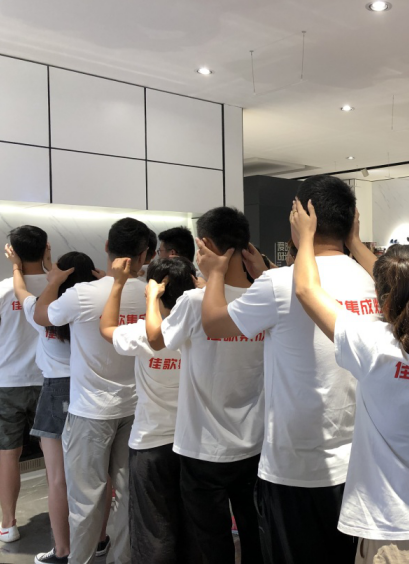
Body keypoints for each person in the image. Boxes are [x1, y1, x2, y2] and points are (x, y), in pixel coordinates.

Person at [199, 176, 376, 564]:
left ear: (300, 218)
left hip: (297, 467)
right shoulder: (372, 279)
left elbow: (214, 324)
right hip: (361, 460)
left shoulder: (279, 283)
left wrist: (215, 273)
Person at [291, 198, 409, 563]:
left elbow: (306, 291)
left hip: (399, 537)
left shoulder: (373, 343)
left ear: (379, 297)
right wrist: (354, 242)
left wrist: (306, 237)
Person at [147, 207, 265, 564]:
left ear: (207, 246)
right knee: (256, 537)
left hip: (202, 448)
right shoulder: (264, 298)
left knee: (211, 544)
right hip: (256, 443)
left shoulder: (193, 302)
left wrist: (152, 297)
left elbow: (156, 339)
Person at [34, 218, 150, 564]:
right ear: (144, 255)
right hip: (136, 410)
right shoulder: (149, 292)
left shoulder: (82, 294)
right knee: (128, 496)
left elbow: (42, 316)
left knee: (86, 499)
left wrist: (54, 282)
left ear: (107, 247)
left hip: (90, 411)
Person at [99, 257, 198, 564]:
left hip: (150, 443)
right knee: (192, 525)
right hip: (194, 443)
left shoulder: (143, 332)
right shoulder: (201, 328)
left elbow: (106, 328)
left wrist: (118, 283)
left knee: (153, 529)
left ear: (152, 289)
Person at [5, 246, 100, 564]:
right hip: (91, 389)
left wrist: (17, 267)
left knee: (58, 478)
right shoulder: (97, 310)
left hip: (57, 391)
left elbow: (21, 291)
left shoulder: (46, 314)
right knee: (95, 474)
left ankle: (62, 551)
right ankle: (100, 540)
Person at [0, 226, 49, 546]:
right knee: (55, 452)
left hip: (8, 381)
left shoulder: (4, 290)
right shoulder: (59, 286)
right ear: (46, 249)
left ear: (12, 252)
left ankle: (8, 524)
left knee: (8, 453)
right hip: (50, 379)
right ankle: (67, 515)